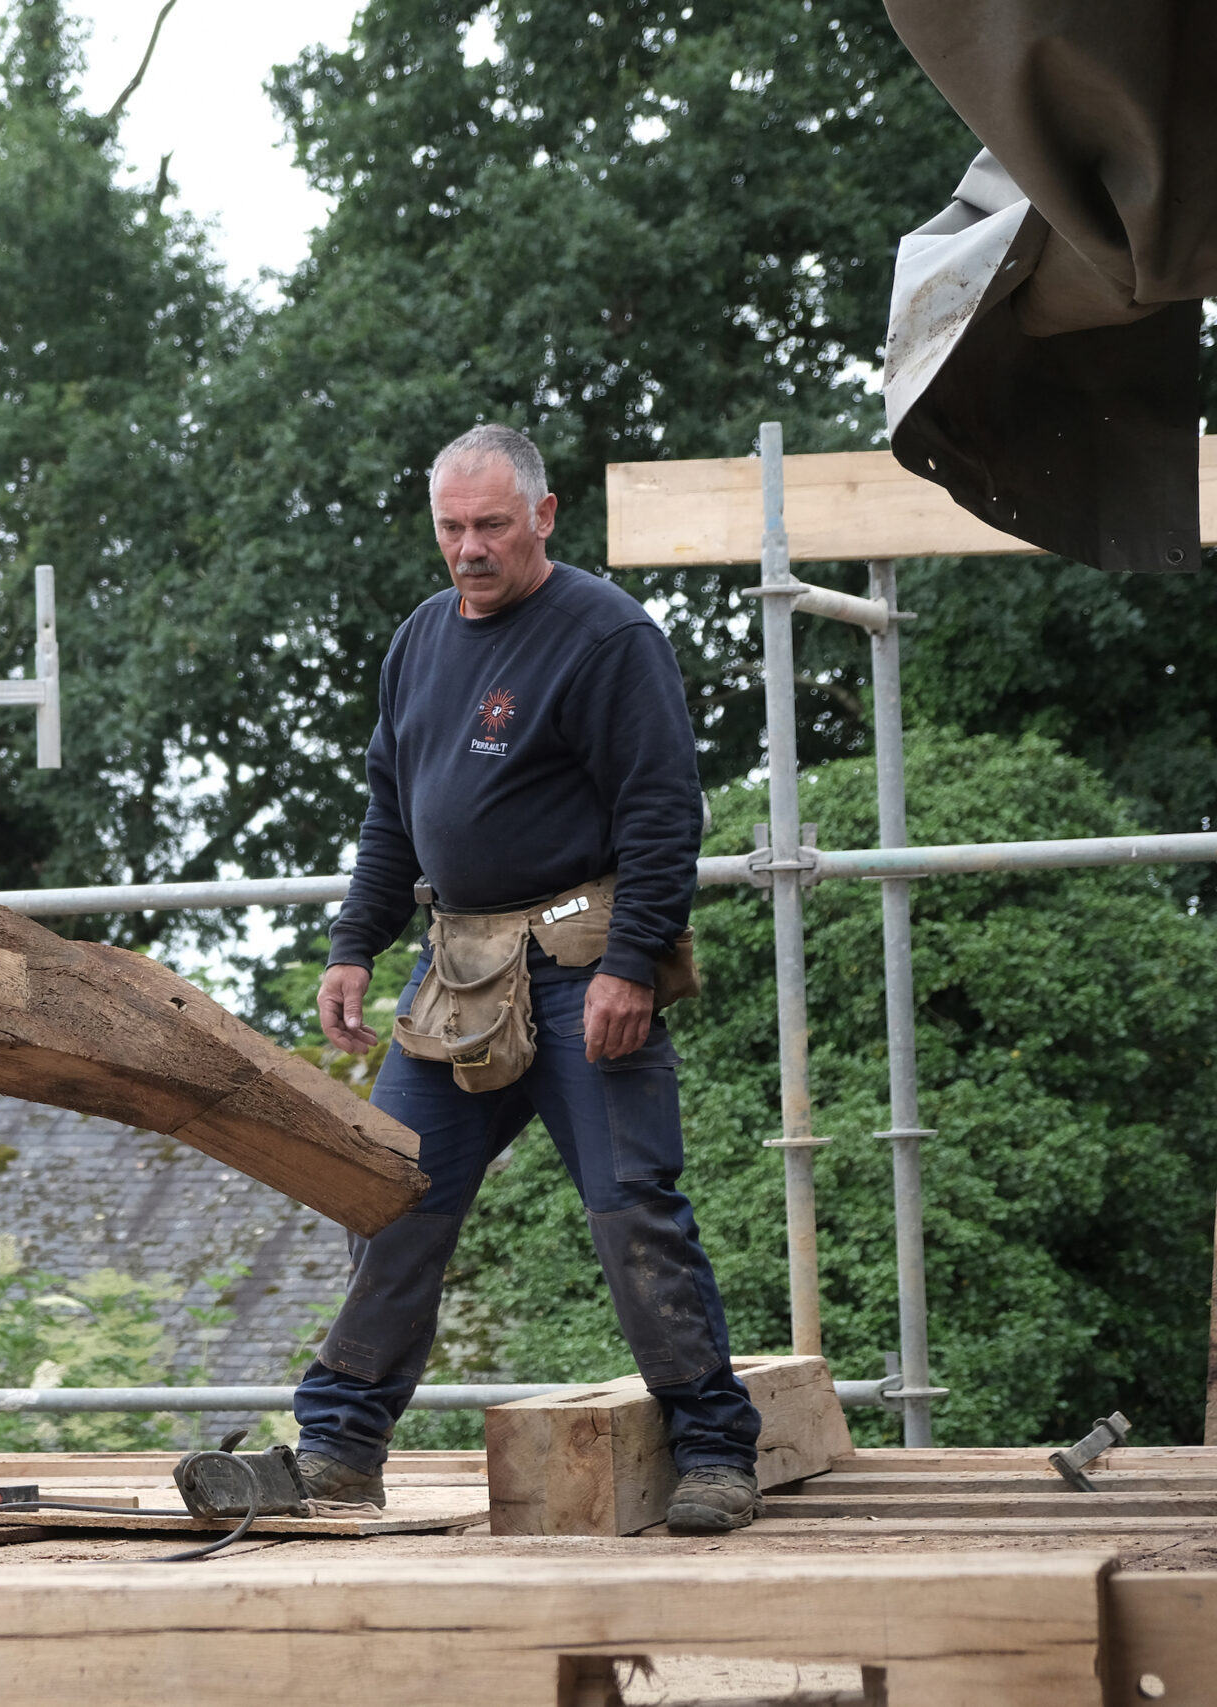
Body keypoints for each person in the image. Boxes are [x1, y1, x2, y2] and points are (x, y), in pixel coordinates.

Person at [293, 424, 764, 1534]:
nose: (468, 549)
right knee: (391, 1195)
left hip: (577, 963)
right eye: (451, 527)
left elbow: (660, 812)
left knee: (630, 1208)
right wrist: (353, 945)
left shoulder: (607, 637)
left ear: (543, 517)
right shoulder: (417, 642)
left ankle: (713, 1452)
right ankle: (339, 1448)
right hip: (456, 972)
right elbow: (388, 813)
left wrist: (632, 962)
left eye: (491, 525)